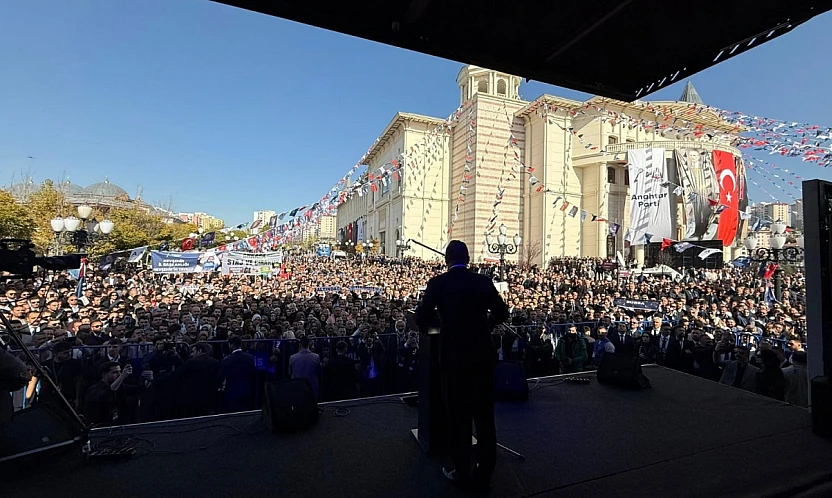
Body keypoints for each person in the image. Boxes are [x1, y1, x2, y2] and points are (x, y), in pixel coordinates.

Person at [416, 240, 509, 493]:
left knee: (458, 417)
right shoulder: (482, 282)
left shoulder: (438, 284)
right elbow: (502, 312)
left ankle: (461, 470)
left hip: (453, 357)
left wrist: (439, 325)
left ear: (447, 260)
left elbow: (421, 316)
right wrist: (487, 323)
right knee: (484, 417)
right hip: (481, 356)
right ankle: (485, 473)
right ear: (468, 259)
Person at [219, 336, 257, 412]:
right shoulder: (250, 357)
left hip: (231, 392)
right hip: (246, 390)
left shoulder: (227, 360)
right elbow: (253, 374)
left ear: (232, 345)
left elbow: (221, 376)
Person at [289, 335, 321, 400]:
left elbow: (289, 372)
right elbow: (318, 372)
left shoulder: (292, 358)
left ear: (300, 344)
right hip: (312, 388)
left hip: (297, 388)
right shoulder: (316, 357)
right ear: (309, 344)